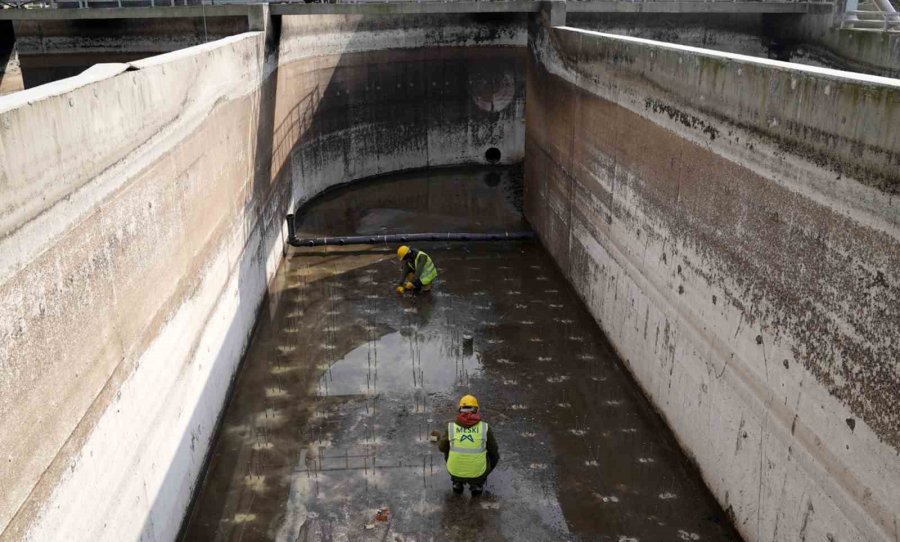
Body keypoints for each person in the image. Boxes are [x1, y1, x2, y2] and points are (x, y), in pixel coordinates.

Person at [438, 394, 500, 495]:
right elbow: (494, 450)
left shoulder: (451, 427)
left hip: (454, 471)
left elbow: (441, 448)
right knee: (494, 455)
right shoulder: (485, 427)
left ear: (460, 410)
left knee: (448, 449)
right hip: (478, 474)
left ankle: (457, 482)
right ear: (477, 410)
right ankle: (478, 483)